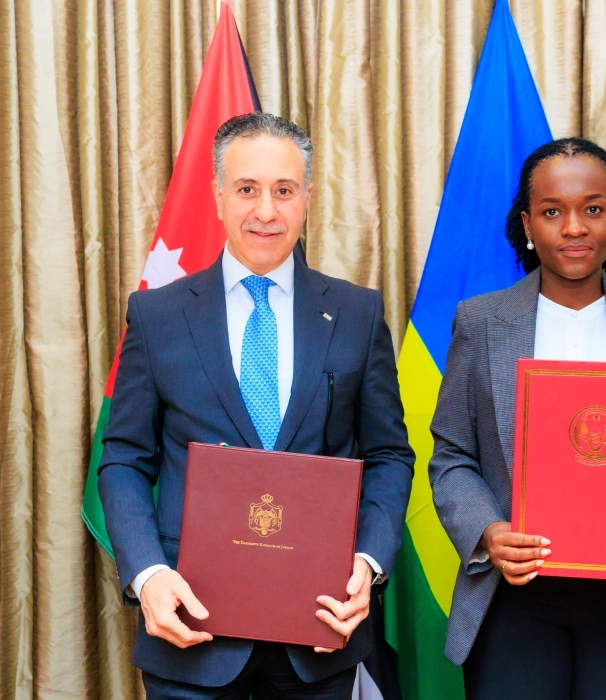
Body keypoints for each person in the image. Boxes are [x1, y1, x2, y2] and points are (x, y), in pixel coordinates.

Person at [98, 113, 414, 700]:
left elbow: (390, 455)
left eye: (284, 191)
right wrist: (147, 574)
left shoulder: (357, 314)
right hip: (191, 637)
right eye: (247, 189)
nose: (266, 211)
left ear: (307, 199)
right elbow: (123, 460)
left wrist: (367, 563)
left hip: (320, 639)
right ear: (218, 196)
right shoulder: (157, 316)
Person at [429, 137, 606, 700]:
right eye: (553, 211)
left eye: (592, 207)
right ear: (528, 224)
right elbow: (452, 457)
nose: (574, 227)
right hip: (515, 604)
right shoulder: (482, 322)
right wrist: (489, 531)